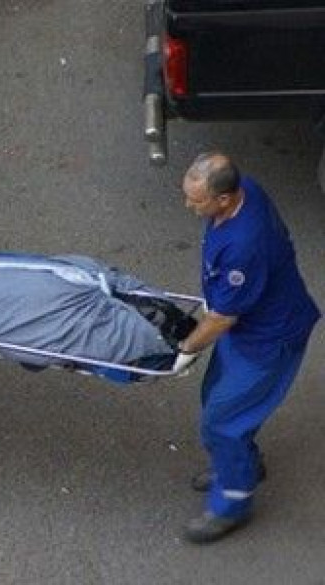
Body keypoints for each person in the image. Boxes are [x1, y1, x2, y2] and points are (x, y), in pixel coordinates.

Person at [173, 152, 320, 543]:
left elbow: (222, 319)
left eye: (196, 200)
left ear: (224, 199)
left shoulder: (245, 246)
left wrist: (186, 349)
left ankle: (232, 504)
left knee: (222, 421)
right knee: (217, 397)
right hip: (250, 328)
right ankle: (243, 462)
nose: (188, 205)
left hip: (267, 340)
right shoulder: (244, 191)